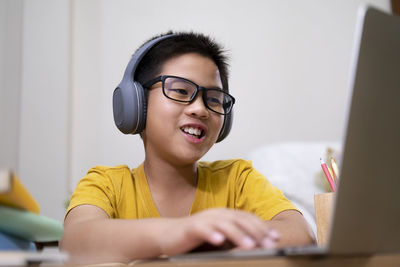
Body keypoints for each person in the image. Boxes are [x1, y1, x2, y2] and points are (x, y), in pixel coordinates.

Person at [60, 31, 315, 264]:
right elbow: (75, 243)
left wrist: (203, 241)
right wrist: (177, 233)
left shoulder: (237, 179)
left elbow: (300, 235)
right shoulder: (106, 184)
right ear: (136, 104)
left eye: (214, 99)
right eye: (181, 91)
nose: (200, 109)